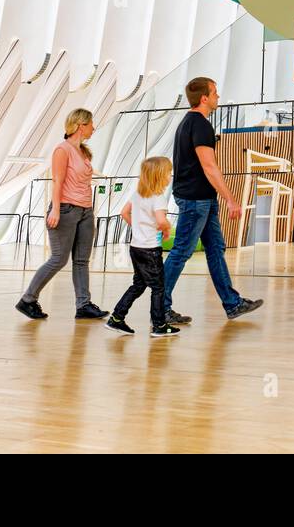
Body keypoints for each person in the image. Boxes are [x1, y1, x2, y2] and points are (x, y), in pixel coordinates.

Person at [161, 77, 263, 324]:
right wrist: (231, 199)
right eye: (215, 93)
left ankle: (232, 303)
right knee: (181, 252)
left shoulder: (188, 123)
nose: (218, 97)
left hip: (202, 199)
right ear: (204, 98)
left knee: (215, 249)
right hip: (196, 201)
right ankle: (160, 307)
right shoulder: (200, 126)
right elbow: (209, 166)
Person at [15, 109, 108, 320]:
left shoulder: (83, 152)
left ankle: (83, 305)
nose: (94, 127)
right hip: (66, 209)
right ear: (80, 125)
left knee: (82, 260)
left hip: (85, 210)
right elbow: (57, 181)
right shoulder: (62, 150)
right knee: (59, 258)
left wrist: (88, 210)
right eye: (91, 124)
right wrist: (55, 209)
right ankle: (28, 300)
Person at [106, 156, 179, 337]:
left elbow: (124, 212)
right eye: (168, 173)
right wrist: (166, 228)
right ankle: (159, 325)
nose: (170, 176)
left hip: (136, 247)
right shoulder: (159, 198)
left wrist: (138, 227)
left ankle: (116, 318)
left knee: (138, 285)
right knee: (158, 287)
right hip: (150, 250)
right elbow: (161, 221)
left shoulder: (137, 195)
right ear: (159, 175)